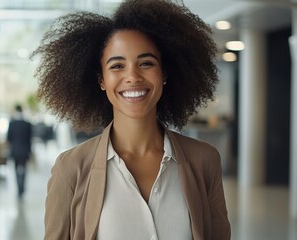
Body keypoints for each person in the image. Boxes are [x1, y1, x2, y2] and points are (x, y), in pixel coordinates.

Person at [31, 0, 231, 239]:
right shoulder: (71, 168)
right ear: (101, 80)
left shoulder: (204, 160)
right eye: (117, 66)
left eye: (146, 63)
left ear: (164, 73)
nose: (133, 77)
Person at [7, 104, 33, 199]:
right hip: (25, 151)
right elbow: (30, 139)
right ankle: (22, 189)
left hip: (14, 150)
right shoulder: (27, 124)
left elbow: (8, 138)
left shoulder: (12, 123)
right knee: (24, 170)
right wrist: (30, 152)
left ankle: (18, 189)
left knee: (16, 170)